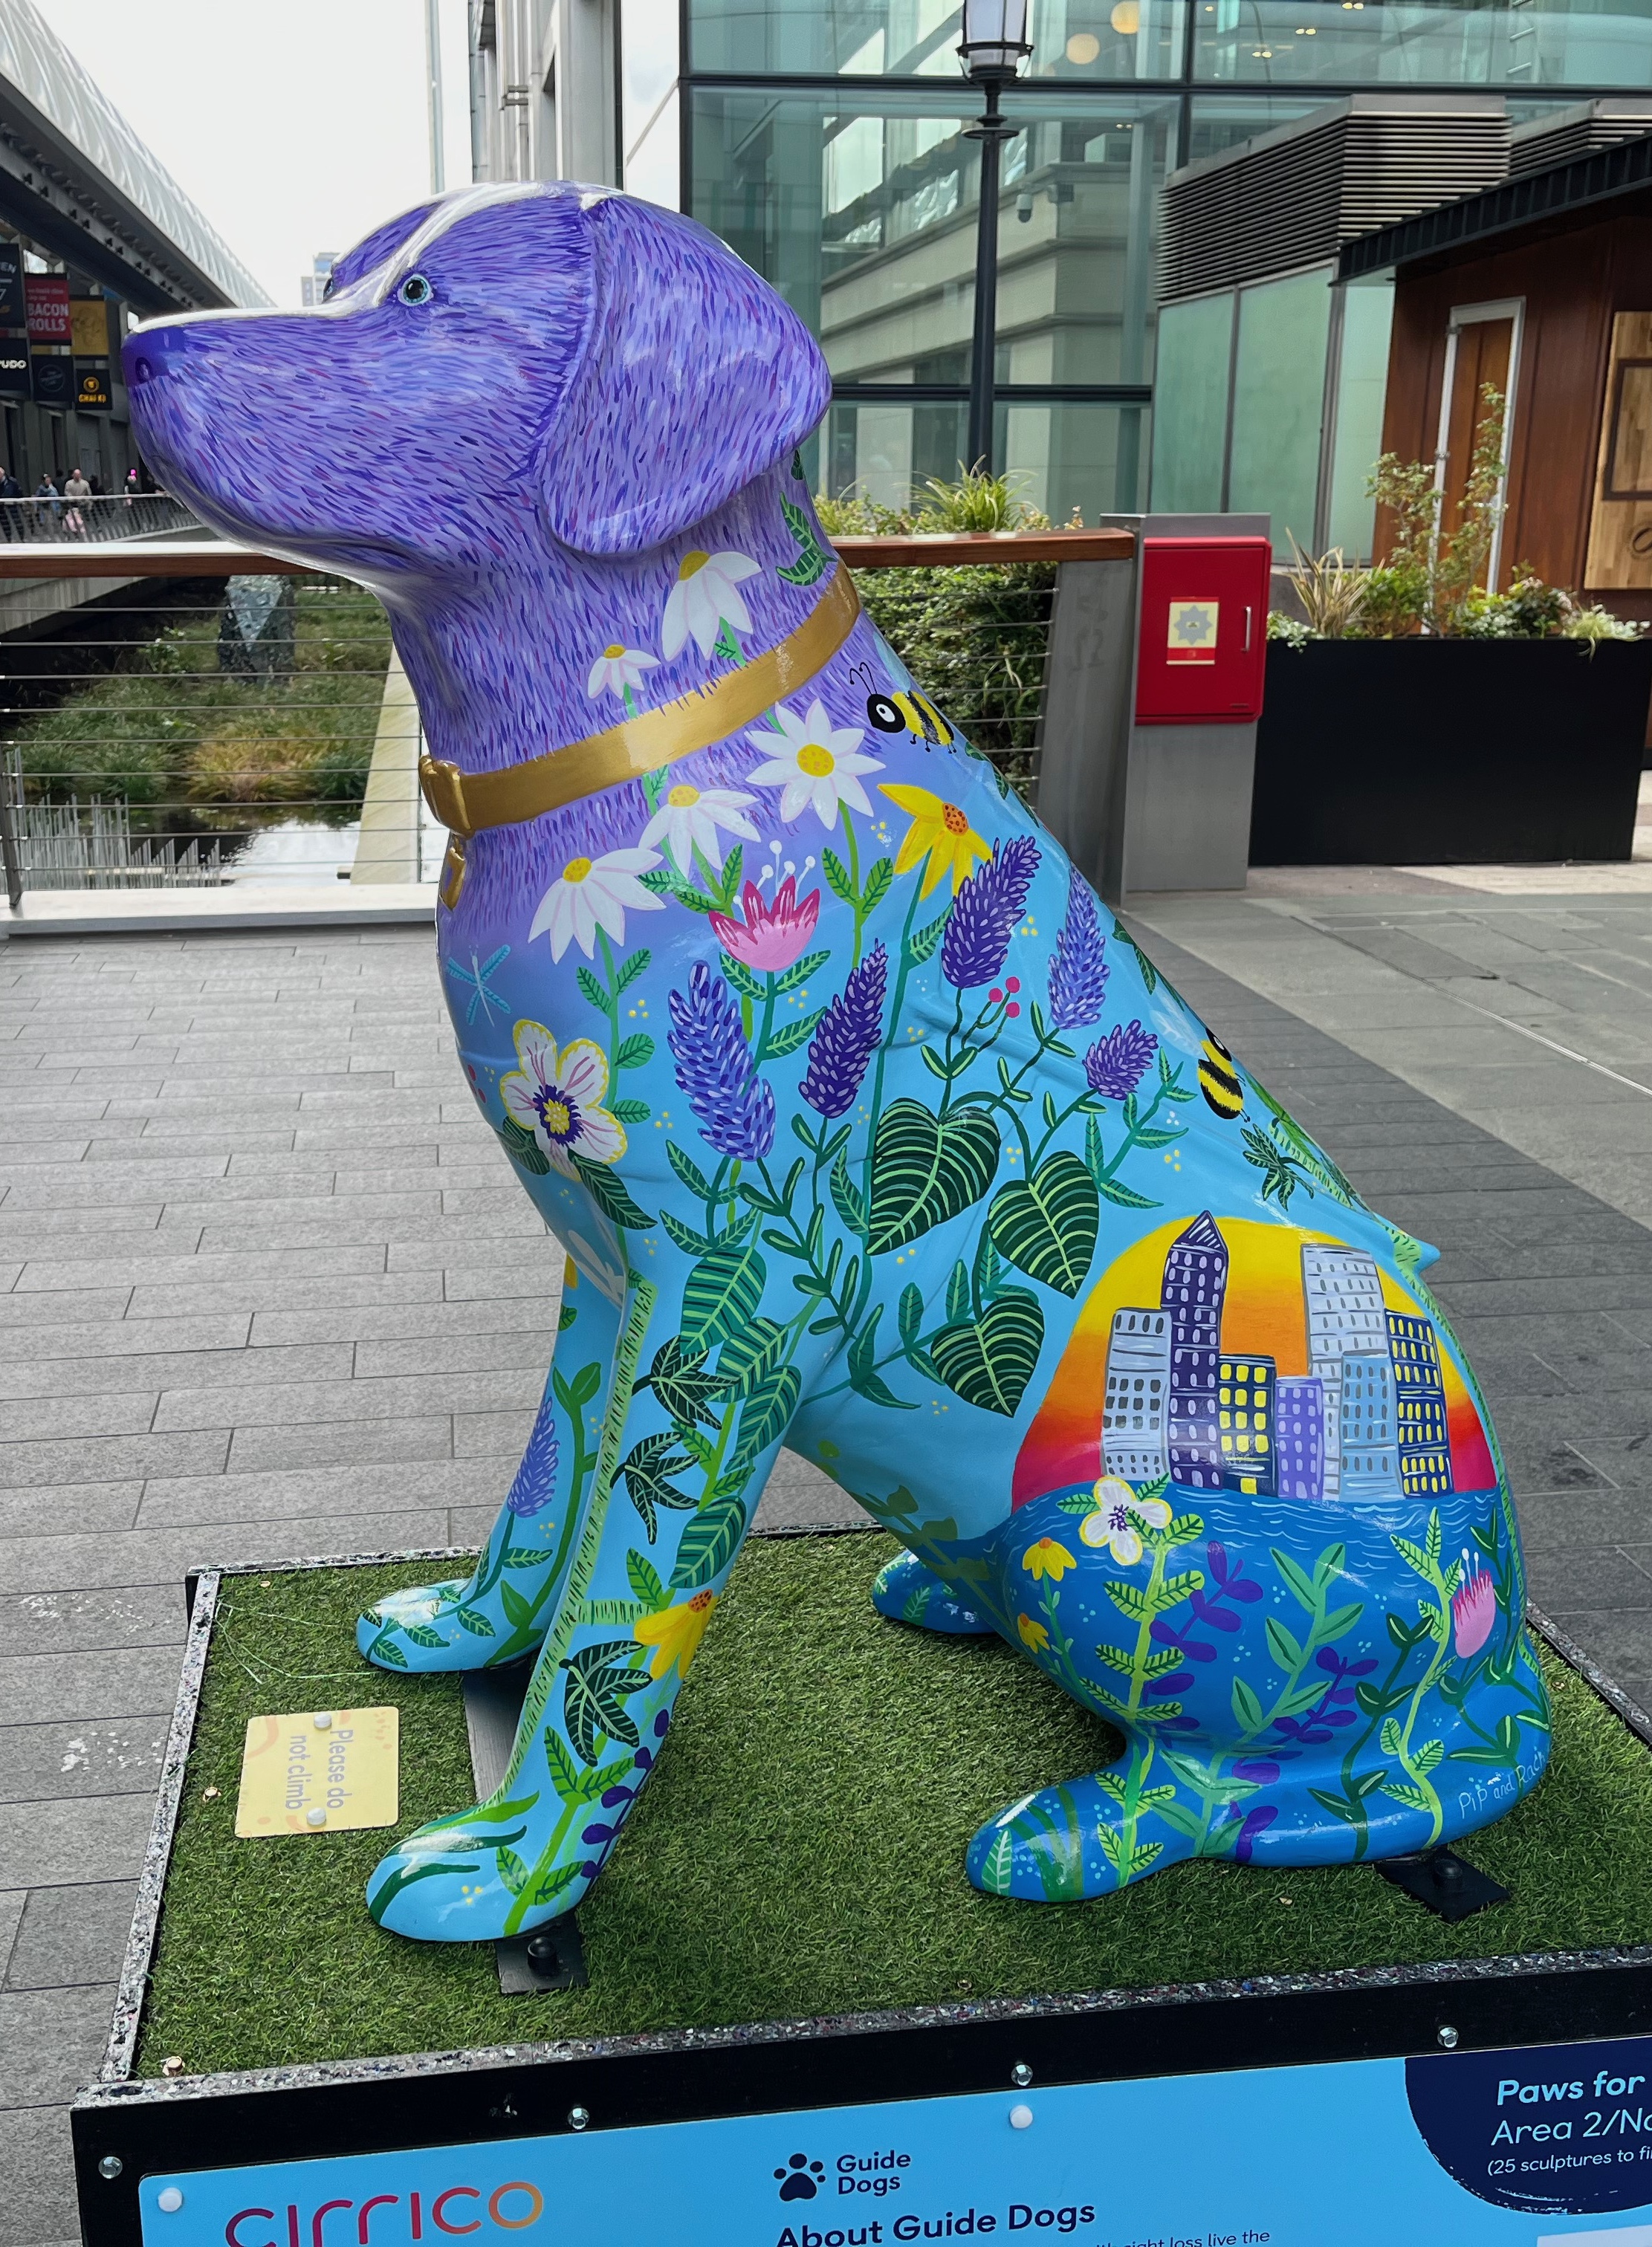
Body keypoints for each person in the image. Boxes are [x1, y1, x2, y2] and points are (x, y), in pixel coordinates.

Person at [62, 464, 90, 537]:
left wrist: (87, 503)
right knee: (74, 519)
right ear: (73, 475)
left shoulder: (85, 483)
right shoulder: (70, 484)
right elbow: (67, 493)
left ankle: (76, 532)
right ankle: (76, 532)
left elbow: (89, 495)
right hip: (74, 505)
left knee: (74, 519)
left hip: (79, 505)